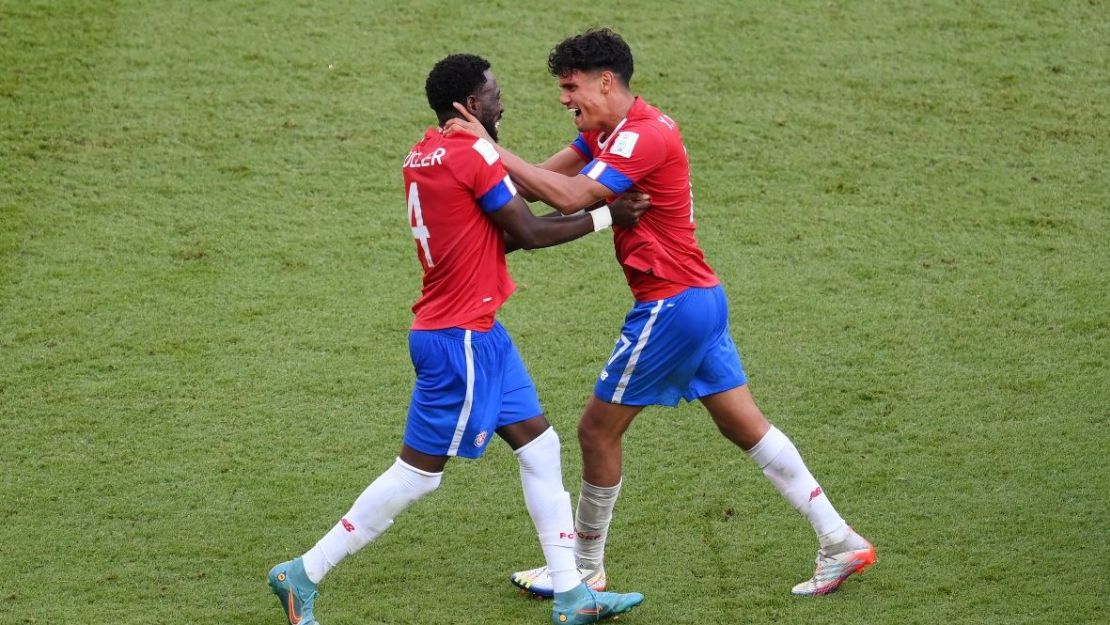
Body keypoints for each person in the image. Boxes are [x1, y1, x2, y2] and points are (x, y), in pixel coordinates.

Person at [444, 28, 875, 599]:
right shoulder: (608, 134)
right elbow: (538, 192)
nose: (564, 98)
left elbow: (569, 198)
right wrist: (486, 170)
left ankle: (584, 567)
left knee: (595, 431)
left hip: (670, 306)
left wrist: (486, 148)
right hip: (700, 300)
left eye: (571, 87)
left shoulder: (640, 138)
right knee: (744, 425)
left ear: (606, 81)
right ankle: (839, 538)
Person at [266, 53, 648, 625]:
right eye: (492, 93)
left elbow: (498, 237)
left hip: (479, 332)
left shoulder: (423, 153)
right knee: (417, 475)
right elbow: (528, 232)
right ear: (467, 106)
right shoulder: (471, 153)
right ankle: (303, 572)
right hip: (458, 338)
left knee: (540, 449)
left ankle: (572, 595)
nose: (501, 102)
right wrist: (607, 217)